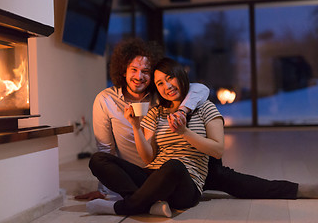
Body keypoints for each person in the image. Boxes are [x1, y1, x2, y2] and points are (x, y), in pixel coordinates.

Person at [76, 37, 318, 203]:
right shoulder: (107, 100)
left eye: (147, 71)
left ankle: (298, 189)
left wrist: (183, 111)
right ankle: (143, 200)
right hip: (150, 169)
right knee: (101, 159)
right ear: (122, 70)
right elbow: (106, 149)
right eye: (134, 69)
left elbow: (199, 89)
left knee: (241, 182)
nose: (140, 76)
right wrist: (107, 189)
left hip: (193, 165)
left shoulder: (160, 95)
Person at [86, 57, 225, 216]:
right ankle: (150, 204)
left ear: (180, 75)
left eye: (170, 77)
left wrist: (184, 132)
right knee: (98, 159)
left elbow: (218, 151)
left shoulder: (204, 106)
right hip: (153, 176)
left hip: (186, 185)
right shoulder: (156, 112)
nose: (167, 86)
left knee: (174, 165)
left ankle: (123, 207)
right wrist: (136, 126)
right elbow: (148, 158)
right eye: (160, 83)